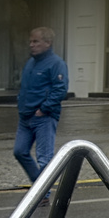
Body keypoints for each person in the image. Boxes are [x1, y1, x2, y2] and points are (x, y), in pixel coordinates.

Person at [14, 27, 68, 195]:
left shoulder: (56, 63)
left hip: (43, 117)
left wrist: (44, 109)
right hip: (26, 115)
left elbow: (60, 90)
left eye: (36, 41)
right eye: (30, 41)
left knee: (44, 158)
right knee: (20, 151)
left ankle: (42, 194)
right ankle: (40, 187)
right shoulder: (30, 62)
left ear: (48, 43)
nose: (31, 45)